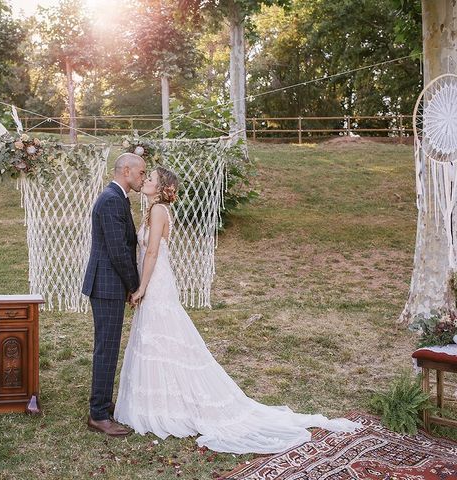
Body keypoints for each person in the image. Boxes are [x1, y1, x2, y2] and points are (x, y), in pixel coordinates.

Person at [114, 166, 361, 454]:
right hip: (155, 278)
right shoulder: (153, 209)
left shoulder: (158, 212)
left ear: (161, 187)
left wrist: (141, 287)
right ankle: (158, 401)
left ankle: (172, 405)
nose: (146, 181)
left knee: (162, 338)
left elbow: (153, 252)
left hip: (156, 282)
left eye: (151, 178)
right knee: (155, 339)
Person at [82, 153, 146, 437]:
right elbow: (119, 250)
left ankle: (104, 402)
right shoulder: (110, 200)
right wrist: (135, 285)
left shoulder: (117, 197)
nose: (143, 178)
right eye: (142, 173)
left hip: (109, 284)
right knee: (106, 348)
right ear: (127, 171)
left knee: (108, 346)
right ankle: (98, 414)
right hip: (106, 284)